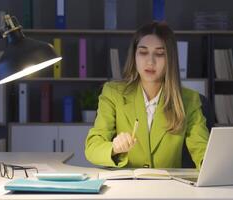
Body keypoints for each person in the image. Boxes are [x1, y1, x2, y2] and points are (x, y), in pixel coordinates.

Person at [85, 22, 209, 170]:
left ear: (170, 59)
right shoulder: (113, 93)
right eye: (143, 52)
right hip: (126, 188)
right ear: (134, 56)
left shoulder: (189, 99)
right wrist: (114, 147)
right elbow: (92, 147)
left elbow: (201, 149)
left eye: (159, 53)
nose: (150, 62)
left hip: (168, 188)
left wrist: (210, 166)